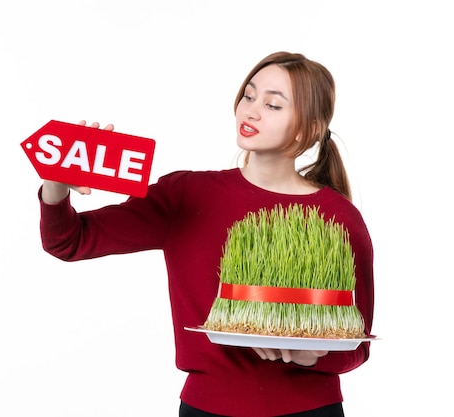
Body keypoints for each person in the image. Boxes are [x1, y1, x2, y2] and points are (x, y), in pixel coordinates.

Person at [38, 51, 374, 417]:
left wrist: (312, 355)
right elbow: (67, 241)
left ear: (307, 129)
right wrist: (56, 186)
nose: (251, 111)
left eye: (272, 105)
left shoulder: (340, 218)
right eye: (248, 96)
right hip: (207, 408)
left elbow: (357, 345)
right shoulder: (186, 194)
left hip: (311, 409)